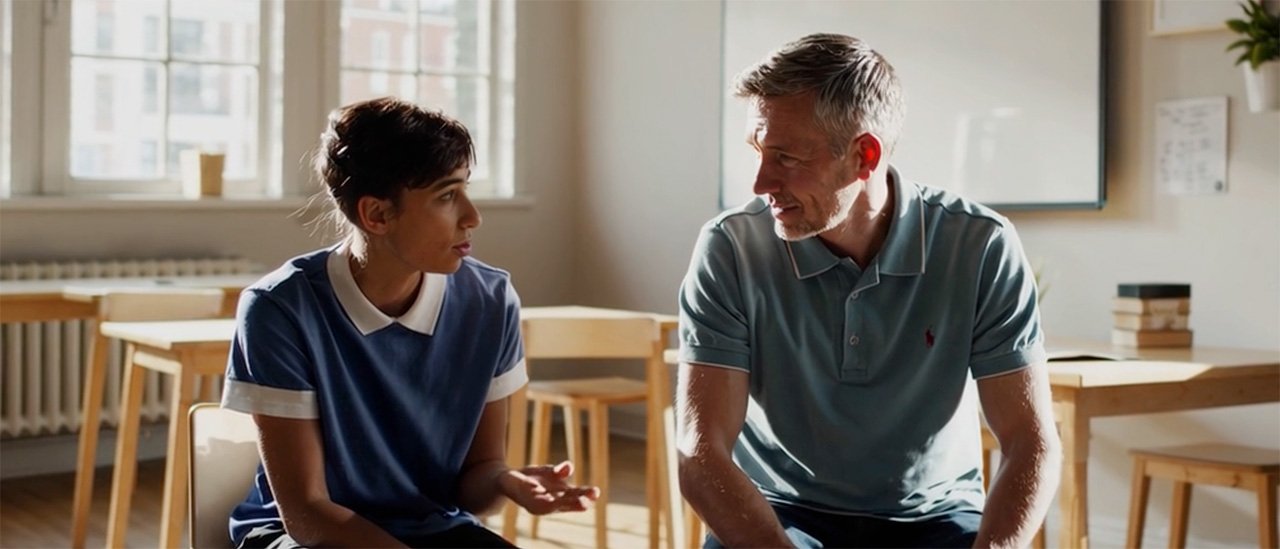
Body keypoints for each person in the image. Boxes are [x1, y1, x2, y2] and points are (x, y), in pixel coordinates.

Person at [675, 34, 1061, 548]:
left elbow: (1030, 442)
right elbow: (701, 452)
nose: (760, 183)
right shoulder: (730, 248)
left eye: (785, 157)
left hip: (936, 519)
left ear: (864, 155)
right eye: (758, 152)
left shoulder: (980, 245)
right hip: (779, 515)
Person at [221, 97, 598, 549]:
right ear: (377, 214)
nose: (473, 217)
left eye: (465, 188)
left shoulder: (491, 301)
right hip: (306, 538)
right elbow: (307, 511)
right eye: (446, 196)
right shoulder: (278, 310)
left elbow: (474, 483)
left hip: (432, 530)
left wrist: (503, 481)